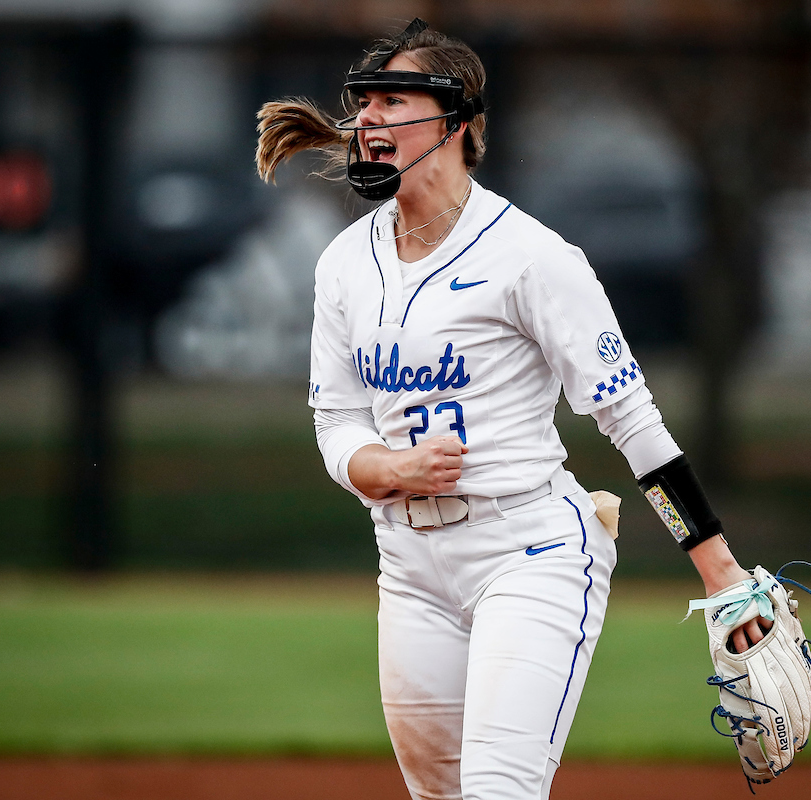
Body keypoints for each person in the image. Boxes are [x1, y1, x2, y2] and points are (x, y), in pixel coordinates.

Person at [255, 19, 769, 800]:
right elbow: (336, 421)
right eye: (366, 102)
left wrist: (721, 570)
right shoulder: (344, 263)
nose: (369, 118)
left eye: (395, 100)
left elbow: (631, 422)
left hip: (528, 552)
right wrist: (384, 467)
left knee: (498, 791)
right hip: (408, 566)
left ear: (455, 121)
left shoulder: (533, 258)